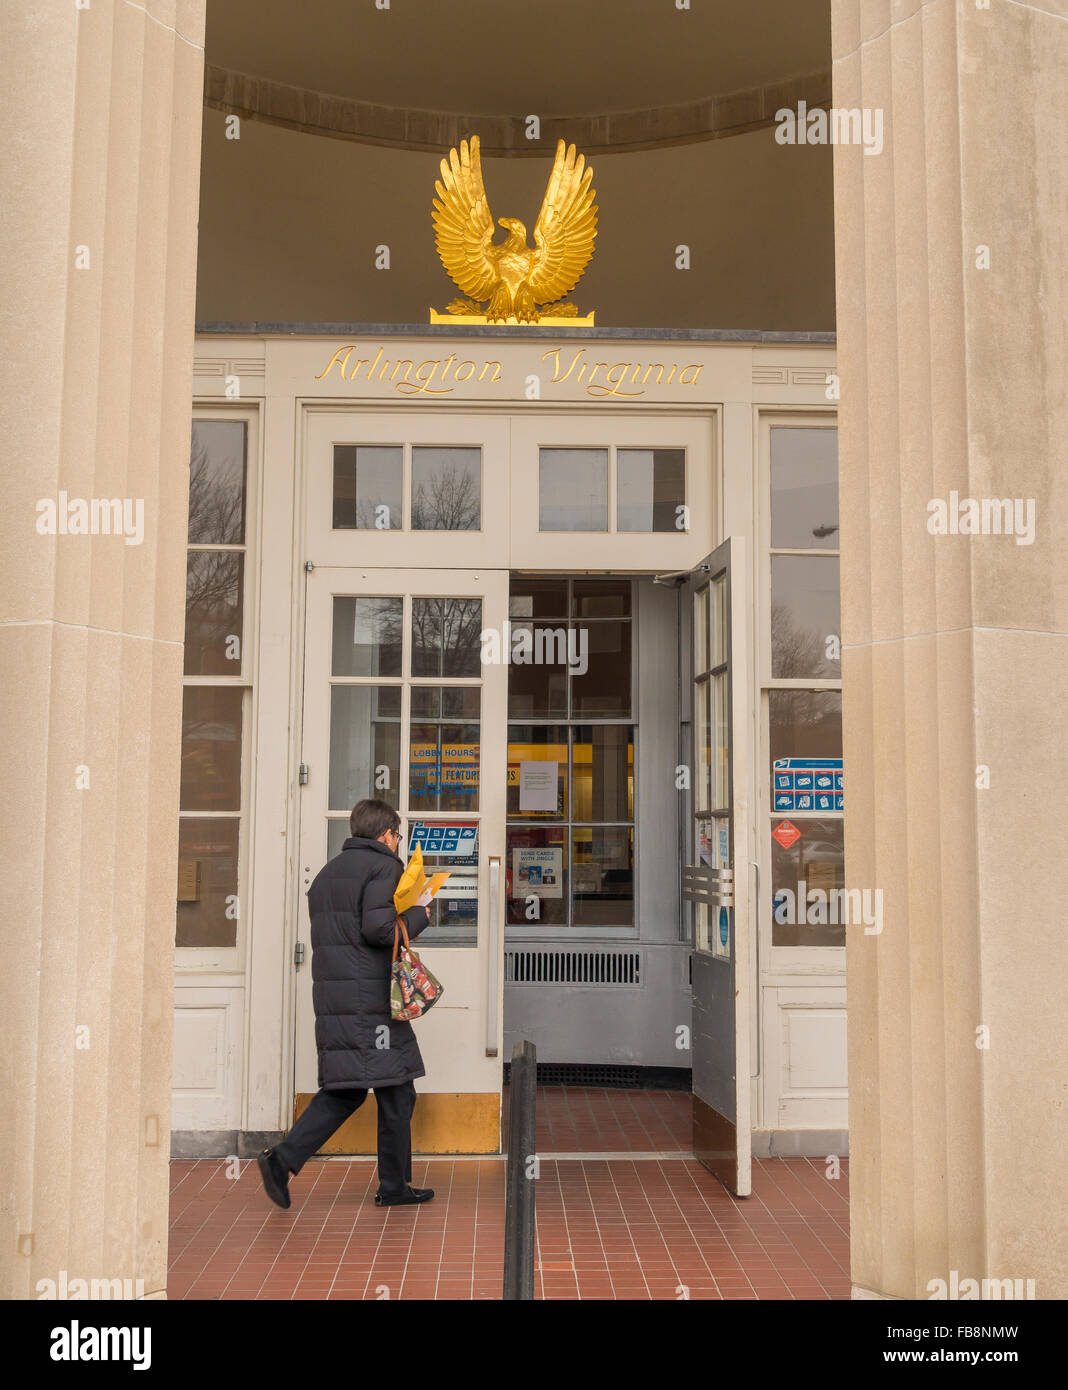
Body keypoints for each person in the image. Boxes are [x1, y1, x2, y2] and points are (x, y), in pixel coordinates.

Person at [258, 798, 435, 1209]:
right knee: (382, 1089)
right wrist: (421, 913)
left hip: (338, 998)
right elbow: (377, 930)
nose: (398, 843)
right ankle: (284, 1160)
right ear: (387, 834)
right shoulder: (384, 867)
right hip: (369, 1002)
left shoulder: (327, 874)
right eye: (397, 836)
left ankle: (390, 1184)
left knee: (375, 1089)